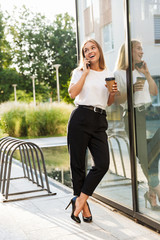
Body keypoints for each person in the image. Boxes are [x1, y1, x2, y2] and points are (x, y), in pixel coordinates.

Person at [66, 39, 118, 223]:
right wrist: (85, 74)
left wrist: (112, 93)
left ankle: (79, 200)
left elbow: (108, 102)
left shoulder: (108, 73)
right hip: (80, 117)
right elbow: (72, 94)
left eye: (93, 47)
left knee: (102, 164)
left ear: (99, 50)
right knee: (78, 164)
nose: (89, 51)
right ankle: (84, 207)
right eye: (86, 50)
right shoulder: (79, 72)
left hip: (99, 120)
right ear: (84, 55)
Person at [114, 40, 160, 210]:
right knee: (146, 158)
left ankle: (152, 194)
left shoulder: (142, 71)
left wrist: (147, 74)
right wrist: (132, 89)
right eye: (138, 48)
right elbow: (118, 100)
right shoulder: (118, 74)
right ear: (129, 51)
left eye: (142, 48)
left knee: (151, 157)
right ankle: (155, 194)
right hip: (134, 115)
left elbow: (154, 92)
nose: (142, 51)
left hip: (150, 115)